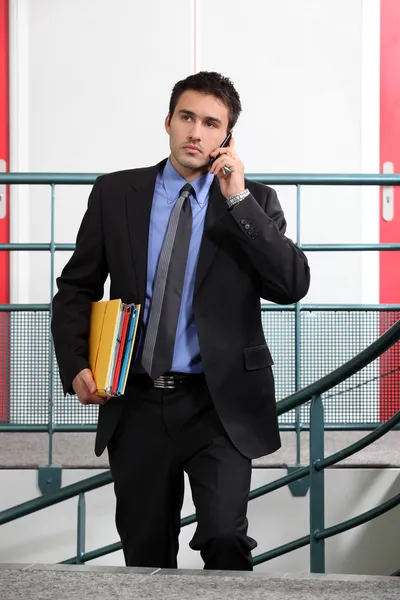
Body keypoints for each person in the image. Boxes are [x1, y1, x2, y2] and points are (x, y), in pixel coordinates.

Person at [51, 71, 310, 571]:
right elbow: (76, 288)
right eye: (187, 117)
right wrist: (76, 363)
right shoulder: (114, 193)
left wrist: (238, 200)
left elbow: (290, 286)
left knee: (224, 537)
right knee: (146, 554)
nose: (196, 132)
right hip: (137, 400)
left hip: (219, 404)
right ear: (168, 121)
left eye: (211, 123)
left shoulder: (254, 202)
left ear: (226, 137)